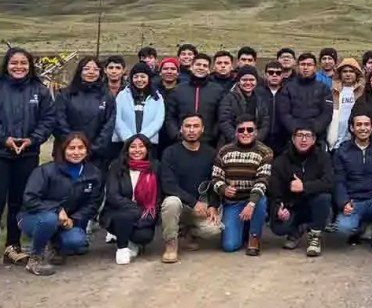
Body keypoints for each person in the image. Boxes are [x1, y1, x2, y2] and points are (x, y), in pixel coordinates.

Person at [0, 47, 57, 274]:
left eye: (23, 63)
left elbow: (48, 120)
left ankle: (12, 247)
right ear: (6, 65)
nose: (19, 67)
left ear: (30, 66)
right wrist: (4, 139)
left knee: (19, 203)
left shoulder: (40, 90)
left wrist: (32, 139)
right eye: (14, 63)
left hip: (27, 154)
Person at [17, 132, 103, 276]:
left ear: (87, 150)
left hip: (66, 220)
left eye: (81, 148)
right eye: (71, 148)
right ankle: (35, 258)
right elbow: (30, 199)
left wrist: (73, 220)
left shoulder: (93, 174)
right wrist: (57, 210)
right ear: (63, 150)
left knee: (77, 240)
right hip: (32, 217)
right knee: (50, 219)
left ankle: (54, 245)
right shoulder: (46, 170)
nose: (76, 152)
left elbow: (93, 203)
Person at [159, 114, 222, 264]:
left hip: (200, 206)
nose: (191, 130)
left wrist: (213, 205)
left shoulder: (211, 153)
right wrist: (193, 203)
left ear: (202, 129)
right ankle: (171, 245)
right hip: (180, 204)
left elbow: (215, 182)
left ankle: (188, 232)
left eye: (196, 126)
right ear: (181, 129)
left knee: (216, 229)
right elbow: (168, 185)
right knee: (171, 203)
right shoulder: (170, 153)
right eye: (187, 126)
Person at [332, 112, 372, 255]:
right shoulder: (342, 150)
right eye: (358, 125)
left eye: (366, 124)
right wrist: (343, 202)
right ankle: (360, 229)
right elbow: (338, 180)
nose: (363, 128)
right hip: (354, 201)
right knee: (343, 229)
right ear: (352, 128)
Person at [267, 124, 335, 257]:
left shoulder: (322, 157)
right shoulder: (281, 161)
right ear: (293, 139)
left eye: (307, 136)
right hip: (292, 205)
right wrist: (278, 208)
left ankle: (315, 235)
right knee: (279, 228)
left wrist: (304, 187)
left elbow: (329, 182)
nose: (303, 140)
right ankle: (297, 229)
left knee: (324, 198)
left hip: (313, 204)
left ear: (314, 140)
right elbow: (274, 190)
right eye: (300, 135)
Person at [213, 116, 274, 256]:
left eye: (250, 129)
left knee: (261, 200)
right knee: (230, 246)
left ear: (256, 132)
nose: (245, 133)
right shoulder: (224, 151)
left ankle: (254, 237)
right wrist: (223, 188)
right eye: (241, 130)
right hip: (233, 202)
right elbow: (216, 177)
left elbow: (262, 180)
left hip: (253, 200)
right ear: (235, 133)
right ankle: (243, 228)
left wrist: (251, 204)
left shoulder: (265, 152)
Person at [100, 134, 161, 265]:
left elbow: (158, 197)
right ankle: (122, 247)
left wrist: (146, 218)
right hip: (118, 213)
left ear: (147, 149)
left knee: (143, 236)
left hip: (145, 215)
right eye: (133, 146)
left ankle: (131, 240)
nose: (137, 150)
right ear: (127, 149)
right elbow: (113, 195)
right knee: (124, 216)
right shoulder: (117, 166)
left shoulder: (155, 167)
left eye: (141, 146)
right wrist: (137, 211)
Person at [53, 55, 115, 173]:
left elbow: (109, 125)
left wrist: (92, 148)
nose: (91, 72)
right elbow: (59, 121)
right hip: (68, 152)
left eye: (95, 69)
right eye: (86, 69)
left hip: (96, 155)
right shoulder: (65, 94)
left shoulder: (107, 96)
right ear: (79, 71)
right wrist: (74, 146)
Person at [164, 53, 225, 147]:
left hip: (208, 142)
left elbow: (221, 116)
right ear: (191, 67)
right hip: (181, 142)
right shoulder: (178, 90)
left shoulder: (218, 90)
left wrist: (213, 135)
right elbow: (170, 116)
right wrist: (176, 135)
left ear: (209, 70)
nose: (201, 68)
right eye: (198, 64)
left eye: (205, 66)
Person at [276, 52, 334, 146]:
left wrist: (311, 132)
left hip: (317, 139)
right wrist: (298, 132)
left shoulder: (324, 89)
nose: (305, 67)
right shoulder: (288, 88)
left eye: (309, 65)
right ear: (298, 66)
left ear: (315, 67)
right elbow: (284, 113)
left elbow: (327, 114)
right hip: (292, 139)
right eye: (303, 64)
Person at [113, 61, 165, 153]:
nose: (139, 80)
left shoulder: (157, 97)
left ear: (149, 78)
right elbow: (117, 118)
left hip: (149, 143)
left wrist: (142, 137)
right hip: (124, 143)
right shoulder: (122, 95)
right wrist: (129, 139)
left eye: (143, 76)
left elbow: (158, 120)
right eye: (136, 77)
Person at [217, 65, 271, 146]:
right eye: (244, 80)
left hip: (255, 145)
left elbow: (265, 122)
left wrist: (255, 140)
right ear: (238, 81)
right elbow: (224, 121)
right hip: (231, 144)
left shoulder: (260, 99)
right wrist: (239, 140)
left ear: (256, 81)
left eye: (252, 80)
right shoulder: (228, 98)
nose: (248, 83)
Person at [330, 57, 363, 149]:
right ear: (340, 74)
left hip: (356, 134)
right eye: (345, 71)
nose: (348, 74)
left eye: (351, 71)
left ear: (356, 74)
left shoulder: (362, 91)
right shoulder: (333, 91)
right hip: (337, 134)